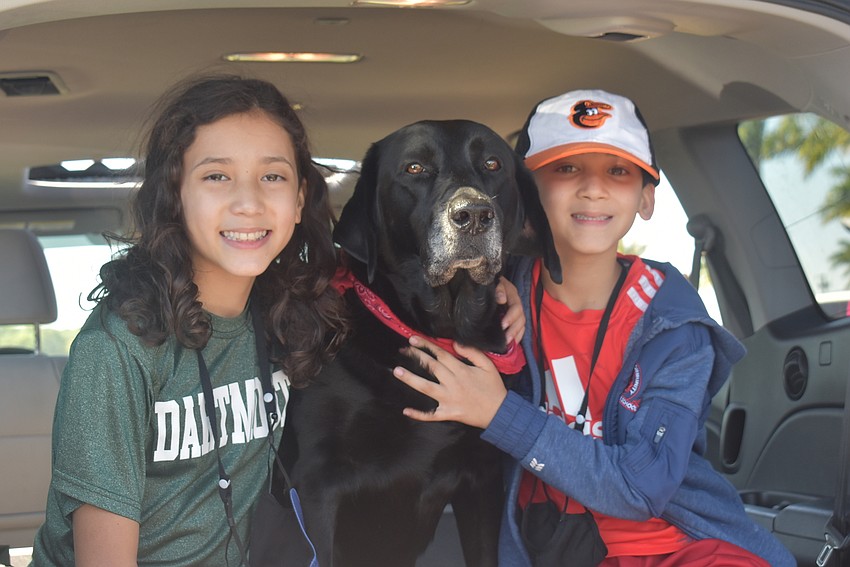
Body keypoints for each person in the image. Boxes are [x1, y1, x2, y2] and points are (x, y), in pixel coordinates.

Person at [393, 89, 795, 566]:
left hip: (679, 545)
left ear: (646, 198)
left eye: (618, 172)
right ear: (521, 196)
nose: (593, 188)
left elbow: (642, 487)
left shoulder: (675, 326)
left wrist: (501, 414)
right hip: (544, 547)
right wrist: (495, 285)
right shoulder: (489, 300)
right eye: (565, 169)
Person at [30, 74, 349, 566]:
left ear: (301, 197)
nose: (249, 202)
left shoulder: (287, 319)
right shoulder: (118, 348)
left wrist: (509, 284)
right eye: (217, 175)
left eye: (273, 176)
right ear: (175, 192)